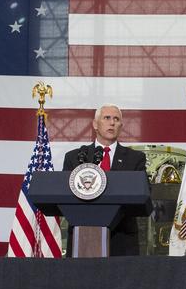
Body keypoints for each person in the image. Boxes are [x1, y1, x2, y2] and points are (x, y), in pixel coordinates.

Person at [61, 104, 149, 256]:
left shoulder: (135, 159)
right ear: (95, 124)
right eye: (107, 118)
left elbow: (145, 193)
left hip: (122, 239)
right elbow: (64, 194)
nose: (112, 122)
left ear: (121, 125)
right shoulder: (75, 158)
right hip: (82, 238)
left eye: (116, 119)